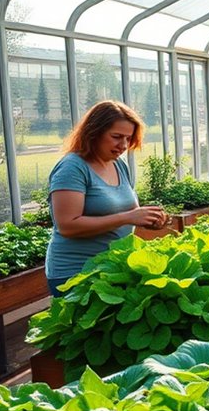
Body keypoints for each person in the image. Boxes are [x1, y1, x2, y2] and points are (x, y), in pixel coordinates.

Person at [46, 100, 167, 296]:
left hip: (113, 269)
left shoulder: (118, 165)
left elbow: (122, 211)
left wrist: (148, 219)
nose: (124, 145)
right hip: (77, 274)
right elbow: (67, 226)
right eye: (116, 137)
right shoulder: (72, 168)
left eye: (128, 138)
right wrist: (128, 217)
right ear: (93, 133)